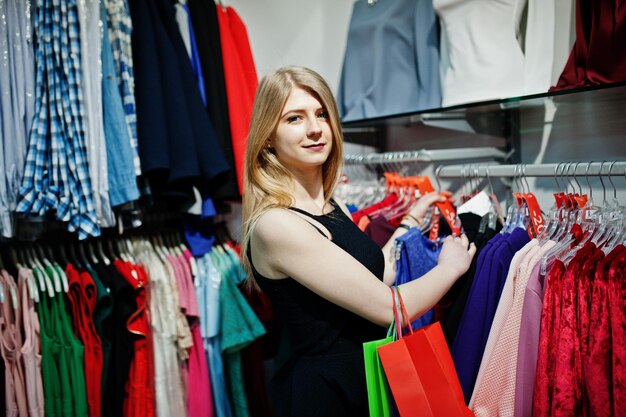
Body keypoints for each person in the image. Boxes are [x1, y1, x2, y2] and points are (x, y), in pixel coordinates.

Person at [242, 66, 476, 416]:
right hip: (326, 394)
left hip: (363, 379)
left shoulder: (329, 205)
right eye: (295, 118)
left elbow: (370, 277)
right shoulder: (277, 224)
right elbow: (389, 307)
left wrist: (409, 222)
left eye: (321, 114)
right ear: (268, 137)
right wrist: (450, 268)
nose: (315, 128)